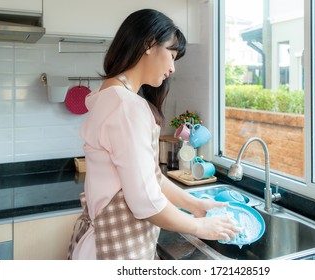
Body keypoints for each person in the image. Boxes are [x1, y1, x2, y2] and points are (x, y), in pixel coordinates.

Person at [68, 9, 239, 260]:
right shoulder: (127, 106)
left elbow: (151, 177)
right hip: (113, 254)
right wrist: (199, 226)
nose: (172, 67)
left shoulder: (108, 96)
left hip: (100, 245)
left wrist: (195, 205)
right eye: (171, 54)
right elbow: (145, 201)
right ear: (149, 43)